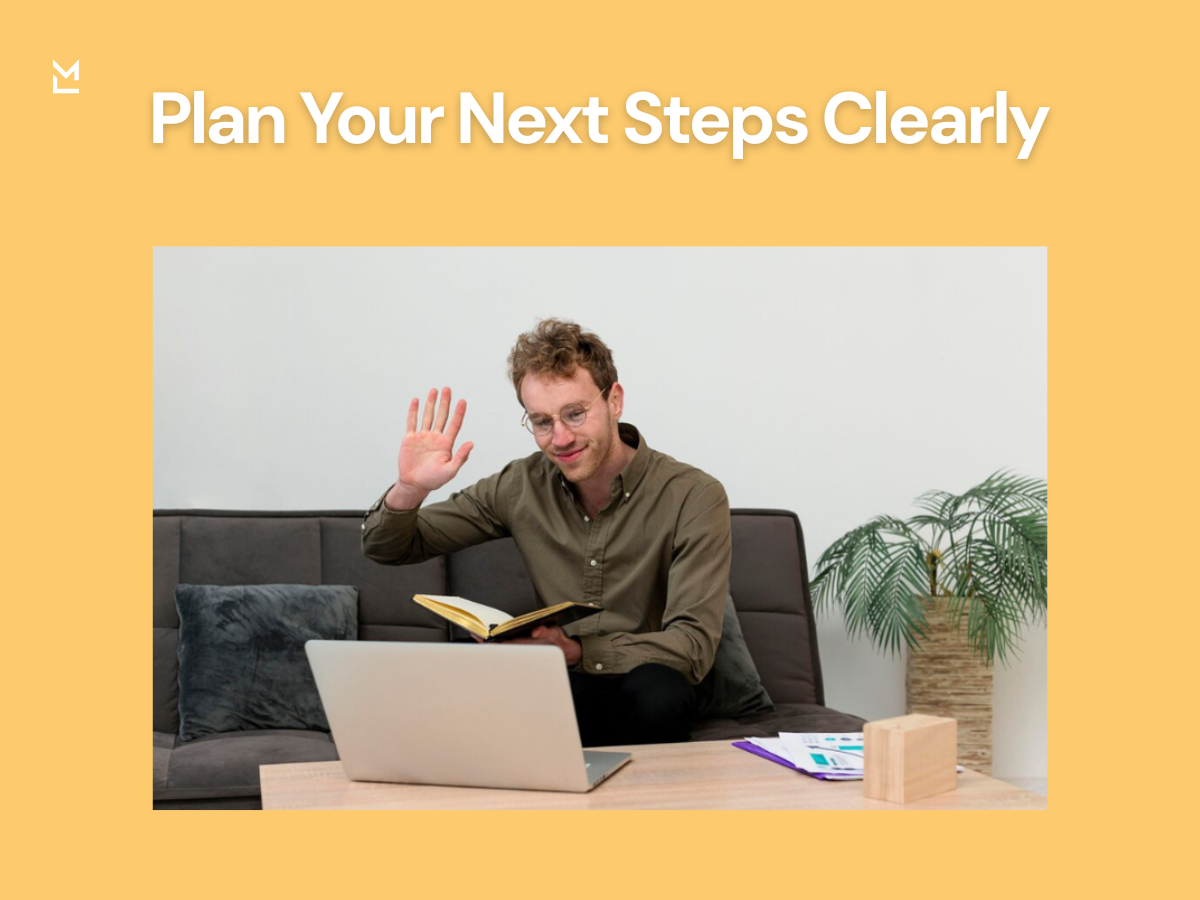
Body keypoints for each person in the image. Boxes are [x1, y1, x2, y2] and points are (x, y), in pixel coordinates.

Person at [361, 318, 731, 746]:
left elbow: (692, 647)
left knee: (657, 691)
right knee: (454, 685)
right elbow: (388, 548)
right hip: (557, 686)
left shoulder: (694, 496)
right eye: (541, 421)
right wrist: (410, 489)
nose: (560, 438)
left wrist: (574, 651)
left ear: (614, 400)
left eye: (575, 413)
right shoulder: (520, 485)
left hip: (649, 685)